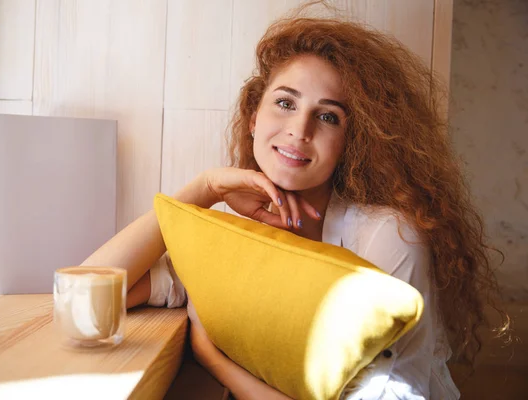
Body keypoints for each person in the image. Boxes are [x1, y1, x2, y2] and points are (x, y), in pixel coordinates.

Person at [81, 8, 509, 400]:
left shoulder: (390, 236)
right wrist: (203, 189)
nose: (299, 129)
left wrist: (213, 360)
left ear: (350, 142)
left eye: (327, 117)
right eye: (285, 103)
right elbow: (88, 292)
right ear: (254, 118)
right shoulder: (232, 237)